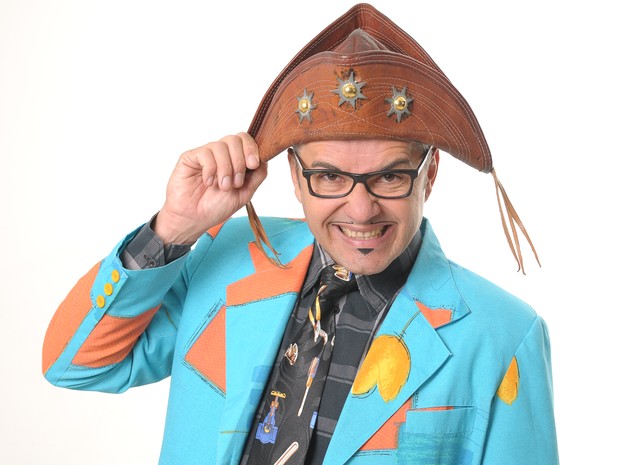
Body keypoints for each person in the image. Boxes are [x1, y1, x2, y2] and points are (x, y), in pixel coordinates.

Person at [42, 3, 558, 464]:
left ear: (431, 173)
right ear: (295, 175)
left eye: (390, 176)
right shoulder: (225, 257)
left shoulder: (503, 335)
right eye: (330, 176)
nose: (361, 209)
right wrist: (174, 228)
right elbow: (75, 367)